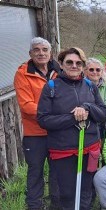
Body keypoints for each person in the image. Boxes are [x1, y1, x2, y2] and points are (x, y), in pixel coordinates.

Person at [37, 47, 106, 210]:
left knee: (86, 191)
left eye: (78, 63)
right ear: (61, 64)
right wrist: (72, 118)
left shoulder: (90, 86)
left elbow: (102, 113)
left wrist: (87, 107)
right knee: (67, 193)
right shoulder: (51, 87)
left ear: (83, 66)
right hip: (63, 151)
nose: (74, 66)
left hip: (89, 148)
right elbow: (43, 119)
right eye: (69, 62)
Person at [13, 37, 60, 210]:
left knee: (57, 171)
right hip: (35, 134)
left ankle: (57, 204)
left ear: (50, 53)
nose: (41, 53)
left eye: (44, 50)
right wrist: (54, 113)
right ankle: (34, 205)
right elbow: (26, 105)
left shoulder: (59, 70)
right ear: (30, 53)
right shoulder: (23, 73)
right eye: (37, 50)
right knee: (35, 172)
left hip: (57, 133)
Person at [84, 58, 106, 130]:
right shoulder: (81, 86)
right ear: (85, 71)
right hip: (87, 125)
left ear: (102, 71)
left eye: (98, 70)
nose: (95, 72)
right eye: (91, 69)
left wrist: (94, 111)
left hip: (105, 125)